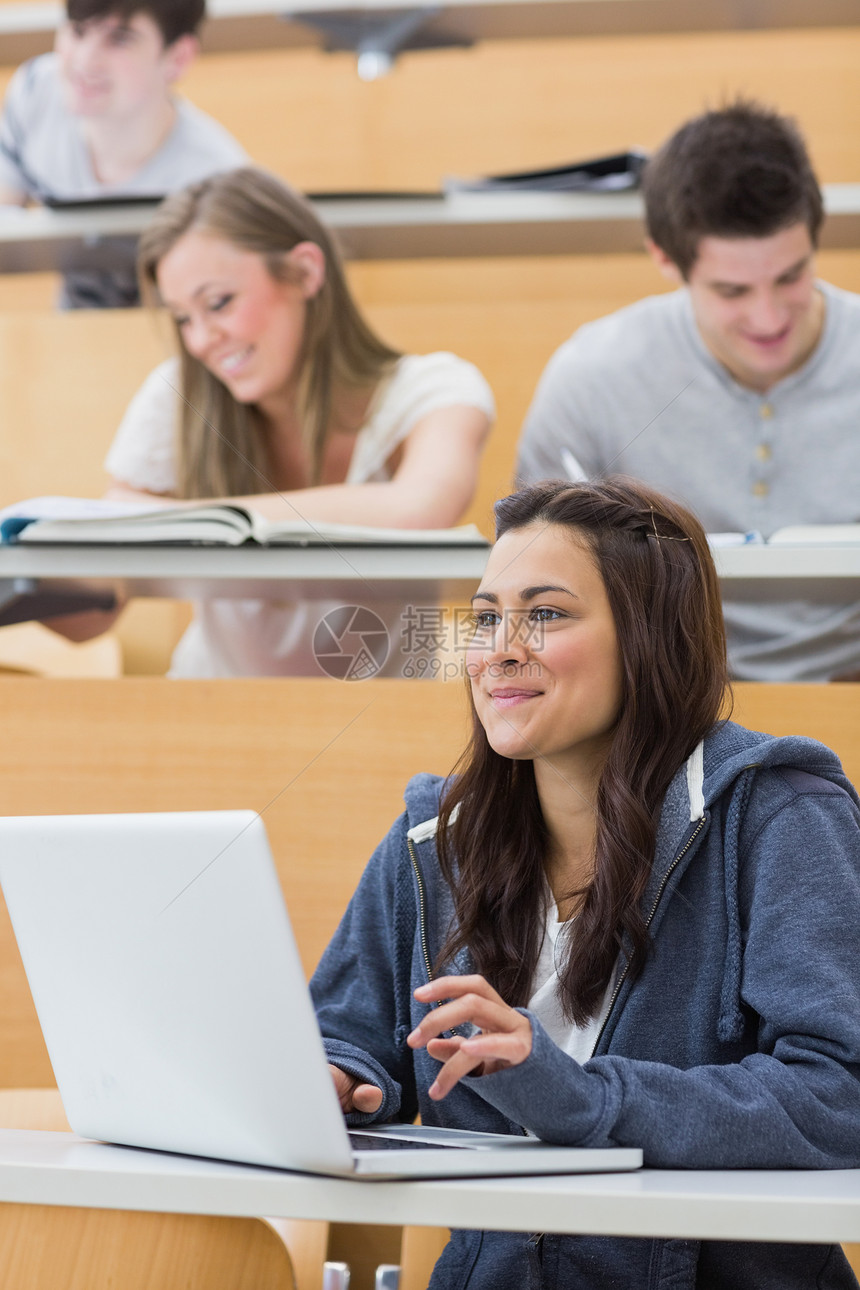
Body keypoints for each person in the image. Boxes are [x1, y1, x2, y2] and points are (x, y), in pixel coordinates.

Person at [311, 476, 860, 1289]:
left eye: (546, 614)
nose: (500, 646)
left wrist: (581, 1097)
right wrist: (338, 1078)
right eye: (488, 615)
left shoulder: (783, 817)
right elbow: (351, 1034)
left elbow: (839, 1095)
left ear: (650, 637)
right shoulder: (434, 841)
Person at [78, 166, 494, 675]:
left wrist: (188, 523)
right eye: (184, 318)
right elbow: (94, 611)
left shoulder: (434, 388)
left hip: (384, 722)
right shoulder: (179, 393)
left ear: (304, 272)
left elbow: (419, 509)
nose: (202, 339)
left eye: (219, 303)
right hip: (210, 710)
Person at [516, 100, 860, 684]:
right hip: (659, 708)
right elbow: (535, 586)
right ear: (664, 257)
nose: (770, 317)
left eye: (790, 276)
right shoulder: (593, 376)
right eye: (731, 290)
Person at [0, 0, 246, 307]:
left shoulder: (215, 179)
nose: (86, 60)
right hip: (73, 333)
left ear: (178, 58)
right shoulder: (35, 93)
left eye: (119, 39)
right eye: (77, 31)